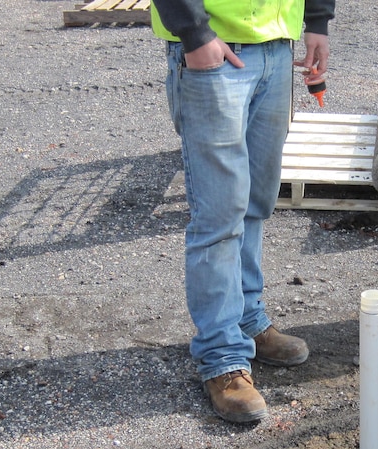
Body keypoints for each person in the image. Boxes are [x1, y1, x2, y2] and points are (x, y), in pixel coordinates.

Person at [150, 0, 334, 423]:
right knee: (219, 213)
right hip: (213, 43)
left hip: (275, 44)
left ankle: (247, 318)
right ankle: (221, 356)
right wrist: (193, 31)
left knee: (256, 200)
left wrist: (318, 19)